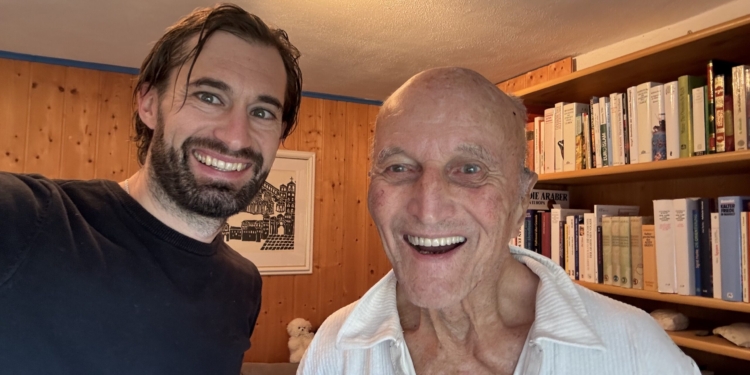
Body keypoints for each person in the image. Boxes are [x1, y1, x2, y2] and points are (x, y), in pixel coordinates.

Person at [298, 67, 699, 375]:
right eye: (399, 167)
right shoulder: (335, 350)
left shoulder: (635, 351)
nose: (428, 208)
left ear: (522, 197)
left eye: (470, 169)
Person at [0, 4, 301, 374]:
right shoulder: (30, 219)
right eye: (208, 96)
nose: (237, 137)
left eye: (263, 112)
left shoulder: (243, 283)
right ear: (148, 103)